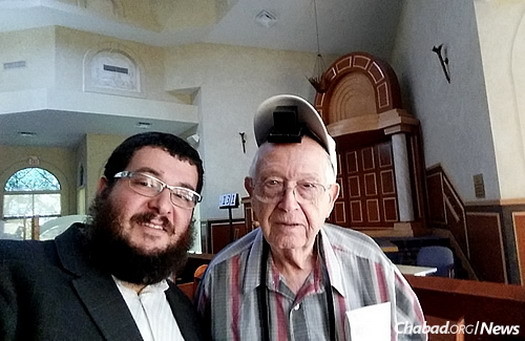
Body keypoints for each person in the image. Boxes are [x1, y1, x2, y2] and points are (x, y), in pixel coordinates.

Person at [196, 94, 427, 340]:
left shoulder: (371, 265)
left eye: (307, 186)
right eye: (273, 183)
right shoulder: (219, 279)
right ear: (252, 193)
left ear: (331, 199)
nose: (288, 204)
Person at [0, 132, 208, 340]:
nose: (163, 206)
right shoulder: (12, 272)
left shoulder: (186, 311)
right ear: (104, 190)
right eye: (145, 183)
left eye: (183, 195)